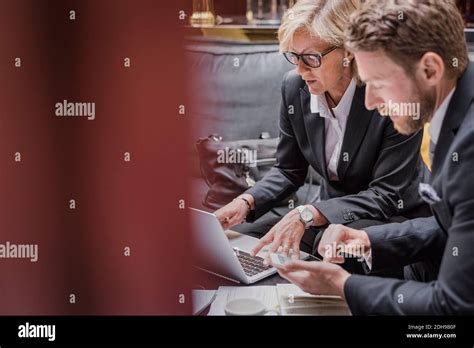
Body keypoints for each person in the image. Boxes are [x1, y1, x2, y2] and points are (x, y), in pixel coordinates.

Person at [276, 0, 474, 315]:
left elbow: (451, 306)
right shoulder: (454, 107)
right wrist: (368, 240)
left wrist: (343, 286)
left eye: (377, 84)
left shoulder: (469, 147)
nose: (370, 101)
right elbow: (453, 226)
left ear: (430, 70)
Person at [214, 0, 429, 272]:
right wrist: (245, 202)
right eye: (294, 56)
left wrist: (307, 214)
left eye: (311, 58)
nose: (301, 71)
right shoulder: (294, 88)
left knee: (340, 253)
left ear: (348, 52)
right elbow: (289, 170)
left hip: (392, 218)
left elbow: (387, 195)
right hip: (328, 213)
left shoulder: (392, 94)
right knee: (253, 240)